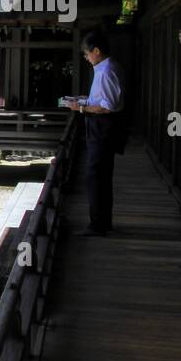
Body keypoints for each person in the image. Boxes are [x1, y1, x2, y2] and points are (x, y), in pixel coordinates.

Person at [65, 30, 124, 236]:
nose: (86, 57)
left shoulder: (107, 71)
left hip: (103, 126)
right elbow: (100, 99)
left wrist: (80, 109)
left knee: (96, 175)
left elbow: (107, 106)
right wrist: (84, 100)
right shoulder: (103, 68)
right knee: (100, 175)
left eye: (87, 53)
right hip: (100, 125)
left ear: (97, 51)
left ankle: (98, 224)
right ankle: (102, 222)